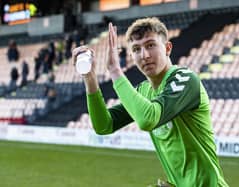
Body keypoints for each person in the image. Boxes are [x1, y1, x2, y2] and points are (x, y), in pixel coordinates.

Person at [72, 17, 228, 187]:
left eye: (151, 45)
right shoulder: (144, 90)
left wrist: (115, 71)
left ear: (167, 48)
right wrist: (90, 78)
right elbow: (104, 125)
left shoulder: (185, 79)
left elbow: (148, 119)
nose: (144, 55)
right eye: (137, 49)